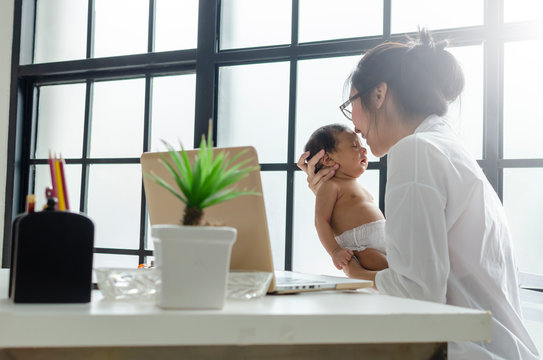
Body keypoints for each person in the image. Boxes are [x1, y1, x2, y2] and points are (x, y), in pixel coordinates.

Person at [297, 29, 539, 360]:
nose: (354, 125)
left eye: (351, 103)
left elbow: (417, 292)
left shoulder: (415, 152)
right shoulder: (441, 145)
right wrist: (332, 194)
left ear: (379, 93)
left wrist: (354, 273)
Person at [304, 124, 388, 272]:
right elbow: (320, 221)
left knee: (401, 273)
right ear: (328, 159)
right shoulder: (331, 186)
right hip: (363, 250)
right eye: (355, 146)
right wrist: (335, 251)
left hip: (385, 245)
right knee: (393, 274)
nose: (364, 150)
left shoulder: (354, 184)